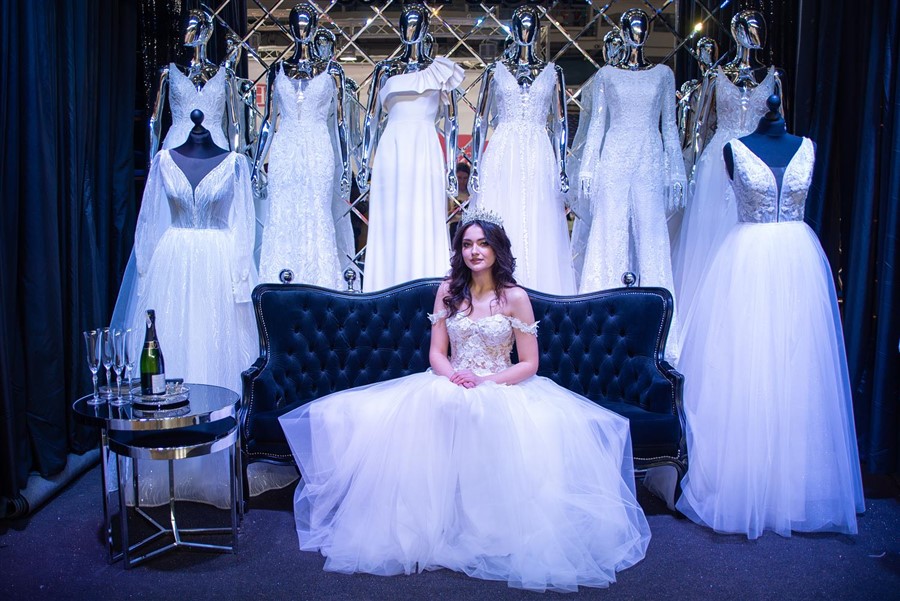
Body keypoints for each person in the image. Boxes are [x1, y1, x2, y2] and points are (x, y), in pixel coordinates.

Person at [279, 208, 650, 593]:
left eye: (483, 243)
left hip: (500, 384)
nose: (475, 251)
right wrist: (454, 376)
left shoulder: (515, 297)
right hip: (450, 380)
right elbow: (436, 353)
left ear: (496, 249)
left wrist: (484, 381)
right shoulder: (448, 292)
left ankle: (491, 529)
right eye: (468, 244)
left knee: (491, 419)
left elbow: (529, 363)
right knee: (414, 413)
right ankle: (431, 525)